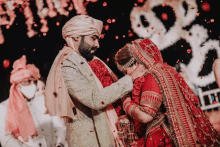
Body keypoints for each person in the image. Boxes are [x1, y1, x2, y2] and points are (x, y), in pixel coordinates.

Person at [44, 15, 147, 147]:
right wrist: (131, 78)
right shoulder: (67, 64)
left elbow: (113, 89)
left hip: (114, 134)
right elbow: (95, 99)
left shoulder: (93, 60)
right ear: (76, 37)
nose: (97, 45)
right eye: (93, 38)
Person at [114, 38, 220, 147]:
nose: (127, 75)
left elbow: (145, 116)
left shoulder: (151, 77)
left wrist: (126, 102)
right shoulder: (165, 70)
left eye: (125, 71)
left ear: (136, 63)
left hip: (163, 138)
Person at [0, 55, 67, 147]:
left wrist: (60, 143)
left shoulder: (44, 100)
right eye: (26, 82)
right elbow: (6, 138)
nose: (31, 84)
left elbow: (59, 126)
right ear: (17, 85)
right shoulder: (4, 107)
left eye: (33, 81)